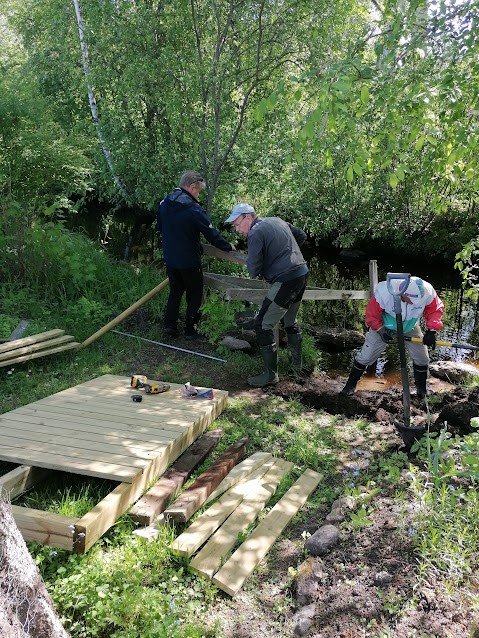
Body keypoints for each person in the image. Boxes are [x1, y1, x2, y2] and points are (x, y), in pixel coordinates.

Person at [225, 203, 309, 387]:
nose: (238, 230)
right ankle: (297, 366)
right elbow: (301, 235)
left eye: (237, 224)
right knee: (289, 321)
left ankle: (271, 375)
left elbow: (254, 269)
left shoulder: (255, 233)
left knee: (263, 324)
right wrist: (284, 255)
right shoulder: (276, 220)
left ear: (248, 217)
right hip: (301, 273)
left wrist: (273, 262)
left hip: (286, 281)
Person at [157, 170, 235, 339]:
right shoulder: (193, 209)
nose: (198, 195)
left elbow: (162, 227)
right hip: (189, 261)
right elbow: (211, 233)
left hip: (170, 258)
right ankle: (190, 330)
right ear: (192, 187)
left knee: (175, 292)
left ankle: (170, 327)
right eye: (198, 191)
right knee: (194, 294)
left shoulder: (165, 202)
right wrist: (227, 246)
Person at [340, 276, 444, 397]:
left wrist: (431, 331)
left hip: (409, 325)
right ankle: (349, 386)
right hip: (383, 324)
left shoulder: (427, 291)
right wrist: (381, 330)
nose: (413, 304)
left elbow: (435, 309)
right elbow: (371, 315)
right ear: (402, 294)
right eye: (410, 301)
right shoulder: (384, 293)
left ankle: (421, 391)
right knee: (366, 356)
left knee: (422, 358)